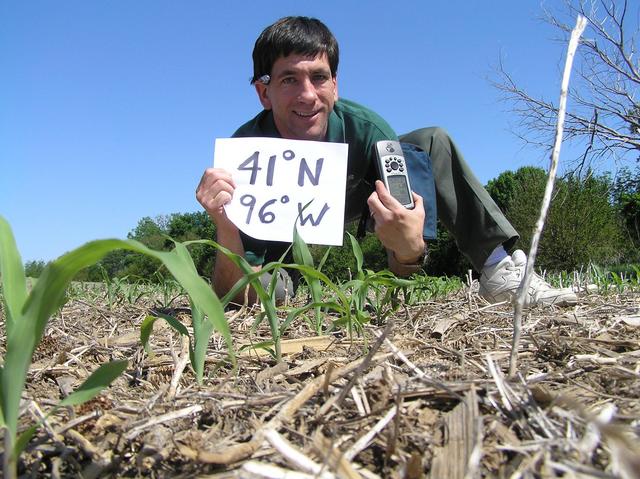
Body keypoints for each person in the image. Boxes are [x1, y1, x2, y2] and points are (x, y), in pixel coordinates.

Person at [196, 16, 577, 307]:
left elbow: (404, 267)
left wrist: (409, 249)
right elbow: (230, 293)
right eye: (289, 80)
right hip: (281, 220)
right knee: (260, 297)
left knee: (432, 140)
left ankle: (499, 267)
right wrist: (225, 224)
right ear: (264, 92)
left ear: (336, 84)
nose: (308, 95)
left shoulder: (371, 131)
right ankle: (288, 288)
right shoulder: (245, 153)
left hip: (357, 194)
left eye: (319, 77)